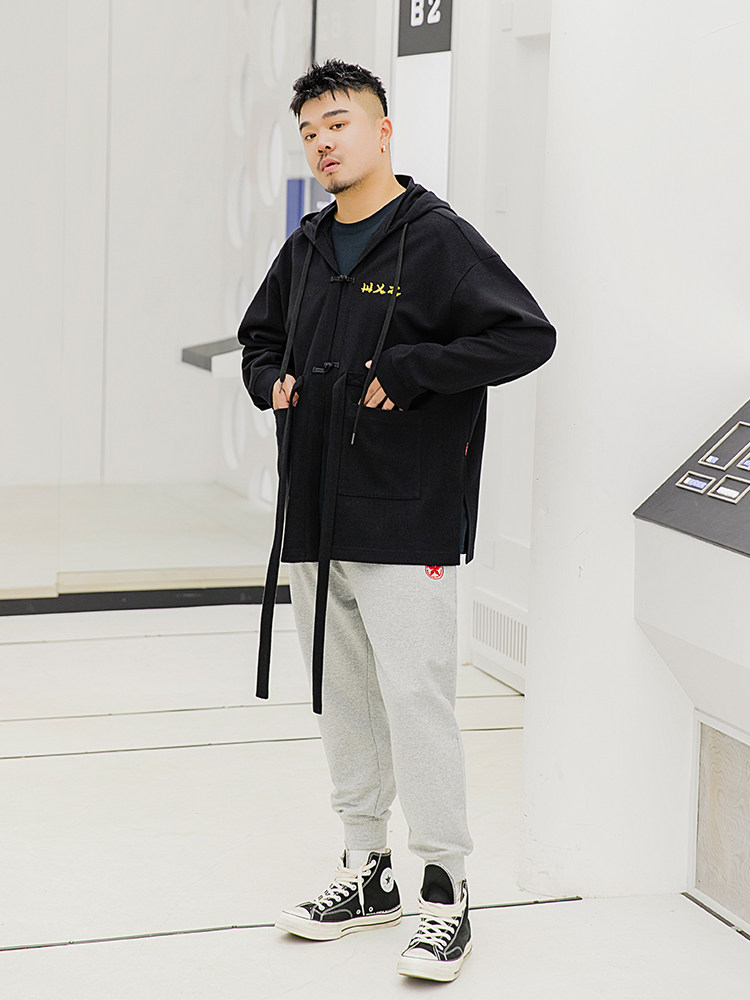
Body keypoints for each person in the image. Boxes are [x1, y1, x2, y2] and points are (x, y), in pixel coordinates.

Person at [238, 59, 555, 983]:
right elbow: (260, 337)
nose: (322, 143)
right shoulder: (306, 246)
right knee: (344, 695)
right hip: (317, 508)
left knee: (415, 698)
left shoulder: (437, 239)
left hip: (407, 511)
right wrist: (270, 381)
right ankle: (366, 867)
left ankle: (445, 889)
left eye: (338, 123)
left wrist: (415, 372)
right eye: (309, 132)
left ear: (383, 131)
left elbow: (524, 334)